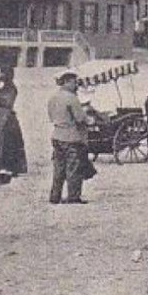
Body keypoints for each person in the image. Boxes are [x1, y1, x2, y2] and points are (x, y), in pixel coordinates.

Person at [47, 71, 90, 205]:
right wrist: (87, 118)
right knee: (73, 168)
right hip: (71, 137)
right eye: (73, 82)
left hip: (57, 135)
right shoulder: (72, 98)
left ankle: (55, 196)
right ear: (66, 82)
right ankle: (73, 196)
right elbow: (80, 118)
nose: (76, 85)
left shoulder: (53, 97)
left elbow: (51, 116)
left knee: (58, 168)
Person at [0, 65, 28, 176]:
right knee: (3, 141)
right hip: (3, 114)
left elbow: (5, 101)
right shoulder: (7, 86)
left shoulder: (10, 87)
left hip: (5, 115)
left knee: (6, 141)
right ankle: (3, 165)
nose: (1, 75)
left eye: (3, 73)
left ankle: (9, 166)